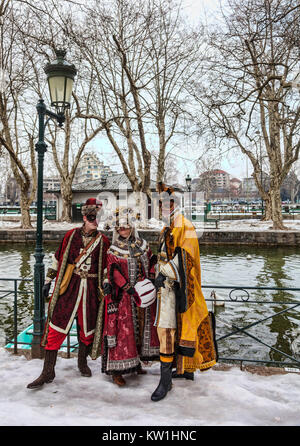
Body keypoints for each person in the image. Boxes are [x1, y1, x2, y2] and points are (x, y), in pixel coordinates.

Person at [27, 198, 110, 389]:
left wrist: (106, 283)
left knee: (86, 331)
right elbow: (58, 258)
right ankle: (48, 371)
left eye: (97, 218)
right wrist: (49, 281)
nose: (94, 221)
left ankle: (82, 362)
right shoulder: (71, 236)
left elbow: (106, 267)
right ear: (84, 217)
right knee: (56, 326)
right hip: (69, 289)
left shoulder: (103, 241)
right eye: (91, 217)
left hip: (89, 291)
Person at [151, 183, 218, 402]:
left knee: (167, 331)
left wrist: (165, 273)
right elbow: (167, 253)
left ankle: (165, 381)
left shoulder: (184, 225)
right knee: (171, 329)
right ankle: (180, 370)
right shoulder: (169, 226)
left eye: (167, 203)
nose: (163, 207)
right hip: (168, 288)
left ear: (174, 204)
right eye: (161, 204)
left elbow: (185, 257)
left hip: (174, 287)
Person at [92, 206, 159, 386]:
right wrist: (127, 287)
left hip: (143, 296)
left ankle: (135, 363)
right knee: (122, 333)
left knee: (140, 330)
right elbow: (113, 271)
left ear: (132, 227)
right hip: (122, 297)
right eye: (120, 228)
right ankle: (116, 371)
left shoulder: (142, 245)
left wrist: (151, 279)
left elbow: (152, 260)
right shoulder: (114, 249)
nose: (123, 230)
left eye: (126, 227)